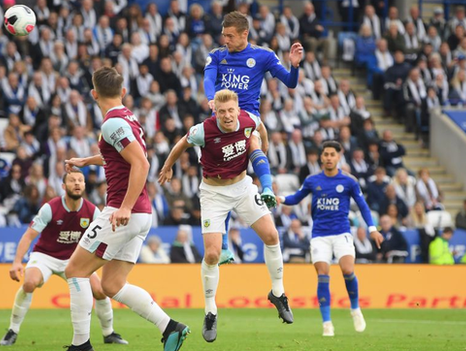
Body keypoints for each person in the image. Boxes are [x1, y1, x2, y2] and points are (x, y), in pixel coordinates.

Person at [62, 67, 189, 351]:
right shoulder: (127, 117)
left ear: (93, 94)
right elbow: (117, 156)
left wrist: (125, 207)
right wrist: (86, 160)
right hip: (139, 214)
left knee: (75, 271)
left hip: (124, 211)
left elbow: (140, 163)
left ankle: (80, 345)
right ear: (123, 92)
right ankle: (170, 327)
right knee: (112, 284)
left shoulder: (111, 123)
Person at [159, 89, 293, 343]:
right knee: (212, 254)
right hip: (213, 193)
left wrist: (262, 149)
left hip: (242, 187)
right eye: (222, 112)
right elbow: (181, 144)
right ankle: (210, 311)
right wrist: (168, 166)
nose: (228, 116)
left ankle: (278, 293)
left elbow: (261, 128)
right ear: (215, 112)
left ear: (238, 109)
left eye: (231, 110)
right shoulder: (203, 130)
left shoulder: (248, 120)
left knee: (272, 235)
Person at [203, 11, 303, 263]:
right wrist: (211, 99)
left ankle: (267, 188)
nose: (225, 40)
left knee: (253, 139)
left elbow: (290, 83)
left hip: (248, 114)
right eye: (223, 35)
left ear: (244, 34)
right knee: (220, 176)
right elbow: (208, 78)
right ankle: (224, 246)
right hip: (222, 119)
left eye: (230, 36)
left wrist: (294, 65)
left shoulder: (264, 56)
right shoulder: (217, 55)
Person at [0, 169, 127, 347]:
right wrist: (16, 262)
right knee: (29, 283)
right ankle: (12, 330)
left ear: (84, 185)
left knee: (99, 290)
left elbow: (103, 238)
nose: (77, 183)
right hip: (46, 255)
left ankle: (109, 333)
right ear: (63, 186)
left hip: (75, 260)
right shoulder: (50, 208)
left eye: (80, 180)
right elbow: (29, 235)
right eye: (72, 180)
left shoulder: (92, 211)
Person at [276, 141, 384, 337]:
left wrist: (373, 229)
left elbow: (363, 206)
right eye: (325, 154)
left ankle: (355, 309)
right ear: (321, 157)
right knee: (323, 274)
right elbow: (296, 198)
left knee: (348, 270)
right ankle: (327, 323)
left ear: (338, 157)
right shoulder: (312, 180)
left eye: (332, 154)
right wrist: (281, 199)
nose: (328, 158)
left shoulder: (349, 181)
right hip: (320, 236)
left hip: (342, 233)